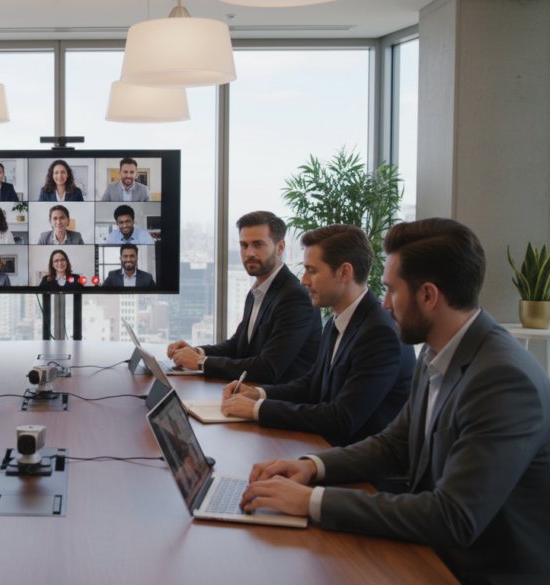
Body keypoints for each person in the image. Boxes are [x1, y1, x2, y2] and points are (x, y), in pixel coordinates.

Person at [239, 219, 550, 584]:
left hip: (477, 570)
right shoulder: (438, 352)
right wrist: (310, 467)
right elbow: (394, 443)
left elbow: (454, 517)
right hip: (432, 549)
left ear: (428, 295)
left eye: (390, 290)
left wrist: (311, 501)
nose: (384, 303)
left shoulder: (502, 380)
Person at [220, 225, 414, 449]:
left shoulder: (379, 333)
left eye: (312, 271)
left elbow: (342, 418)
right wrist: (256, 394)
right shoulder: (336, 320)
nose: (303, 280)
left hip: (361, 471)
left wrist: (257, 409)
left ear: (344, 272)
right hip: (326, 448)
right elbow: (312, 384)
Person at [168, 211, 320, 384]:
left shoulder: (294, 297)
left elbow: (268, 368)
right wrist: (197, 352)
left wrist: (200, 363)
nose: (249, 253)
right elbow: (238, 345)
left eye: (258, 245)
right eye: (244, 245)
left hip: (277, 402)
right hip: (248, 392)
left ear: (280, 247)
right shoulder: (257, 291)